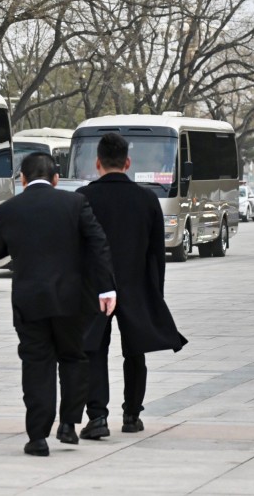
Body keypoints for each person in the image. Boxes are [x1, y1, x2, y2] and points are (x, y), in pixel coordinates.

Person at [0, 152, 117, 457]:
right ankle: (69, 425)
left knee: (36, 364)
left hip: (29, 300)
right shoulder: (74, 204)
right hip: (71, 300)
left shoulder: (8, 209)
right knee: (73, 358)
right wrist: (106, 287)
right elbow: (98, 242)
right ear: (56, 178)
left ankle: (37, 436)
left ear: (22, 179)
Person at [77, 132, 187, 440]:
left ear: (97, 163)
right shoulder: (147, 199)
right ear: (127, 162)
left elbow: (79, 250)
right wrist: (156, 294)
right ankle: (131, 414)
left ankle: (97, 416)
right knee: (134, 350)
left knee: (94, 350)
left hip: (96, 288)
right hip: (137, 285)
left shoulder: (83, 198)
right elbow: (157, 254)